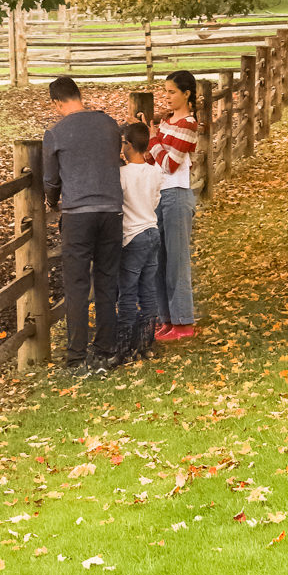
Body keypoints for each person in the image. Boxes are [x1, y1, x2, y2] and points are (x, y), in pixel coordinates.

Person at [42, 75, 123, 376]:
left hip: (78, 215)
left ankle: (77, 357)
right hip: (112, 210)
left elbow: (50, 180)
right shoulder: (109, 124)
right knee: (106, 280)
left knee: (76, 285)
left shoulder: (56, 132)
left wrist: (52, 202)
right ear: (79, 95)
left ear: (56, 102)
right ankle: (107, 350)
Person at [147, 70, 199, 342]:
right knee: (159, 261)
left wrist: (153, 138)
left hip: (177, 196)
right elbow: (153, 158)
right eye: (164, 91)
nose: (166, 97)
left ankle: (184, 323)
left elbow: (169, 164)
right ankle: (166, 319)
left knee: (177, 262)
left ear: (187, 94)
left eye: (172, 92)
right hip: (159, 195)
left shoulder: (188, 125)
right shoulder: (167, 122)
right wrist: (154, 139)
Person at [117, 121, 162, 359]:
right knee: (148, 290)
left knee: (127, 291)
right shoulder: (155, 171)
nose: (121, 146)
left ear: (130, 145)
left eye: (123, 142)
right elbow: (155, 200)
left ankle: (125, 344)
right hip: (152, 232)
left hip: (132, 236)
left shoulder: (122, 174)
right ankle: (146, 343)